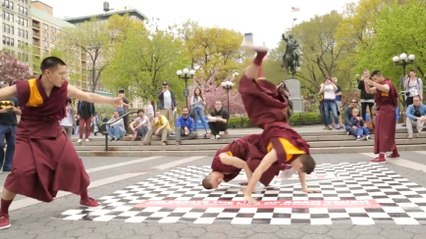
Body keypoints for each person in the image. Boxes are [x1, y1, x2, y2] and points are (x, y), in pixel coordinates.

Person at [0, 56, 123, 230]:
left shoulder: (64, 88)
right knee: (20, 172)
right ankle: (3, 213)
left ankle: (84, 197)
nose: (64, 78)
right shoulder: (28, 86)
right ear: (47, 73)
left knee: (73, 164)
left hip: (54, 132)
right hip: (28, 134)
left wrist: (111, 101)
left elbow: (87, 95)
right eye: (61, 74)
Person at [239, 44, 317, 204]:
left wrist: (304, 187)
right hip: (270, 120)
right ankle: (260, 55)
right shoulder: (280, 152)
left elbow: (302, 168)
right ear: (300, 164)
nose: (296, 172)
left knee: (261, 87)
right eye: (298, 170)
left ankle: (260, 58)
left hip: (279, 118)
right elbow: (260, 169)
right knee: (247, 88)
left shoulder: (303, 151)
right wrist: (248, 194)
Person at [363, 70, 399, 163]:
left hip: (386, 111)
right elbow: (369, 91)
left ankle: (382, 156)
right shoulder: (380, 85)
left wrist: (373, 83)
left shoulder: (387, 83)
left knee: (382, 132)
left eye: (375, 79)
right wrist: (365, 81)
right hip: (384, 110)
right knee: (388, 132)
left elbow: (386, 89)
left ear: (380, 76)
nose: (375, 81)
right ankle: (394, 152)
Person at [0, 87, 20, 173]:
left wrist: (15, 110)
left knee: (12, 145)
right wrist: (2, 111)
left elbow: (20, 112)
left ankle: (8, 166)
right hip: (1, 124)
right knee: (0, 145)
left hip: (13, 125)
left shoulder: (14, 99)